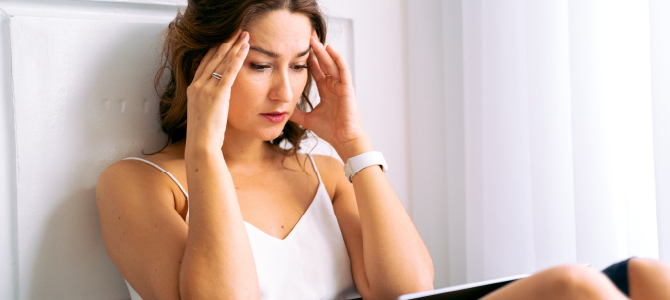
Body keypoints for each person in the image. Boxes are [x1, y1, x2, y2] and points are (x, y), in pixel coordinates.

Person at [96, 0, 670, 299]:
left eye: (299, 66)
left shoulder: (321, 169)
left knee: (646, 276)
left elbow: (406, 287)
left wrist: (353, 144)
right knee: (575, 289)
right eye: (261, 65)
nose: (285, 90)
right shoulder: (137, 182)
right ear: (205, 67)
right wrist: (204, 146)